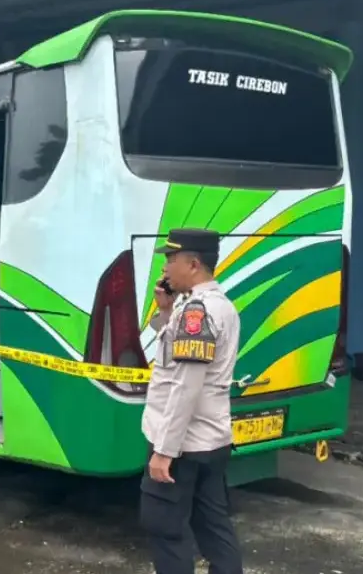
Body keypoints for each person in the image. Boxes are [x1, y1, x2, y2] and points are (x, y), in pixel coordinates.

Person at [141, 228, 244, 574]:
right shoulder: (215, 306)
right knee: (214, 526)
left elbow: (185, 385)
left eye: (171, 260)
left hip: (184, 445)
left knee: (164, 527)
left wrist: (164, 450)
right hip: (212, 442)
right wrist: (165, 311)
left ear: (194, 264)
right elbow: (179, 354)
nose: (165, 268)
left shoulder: (197, 312)